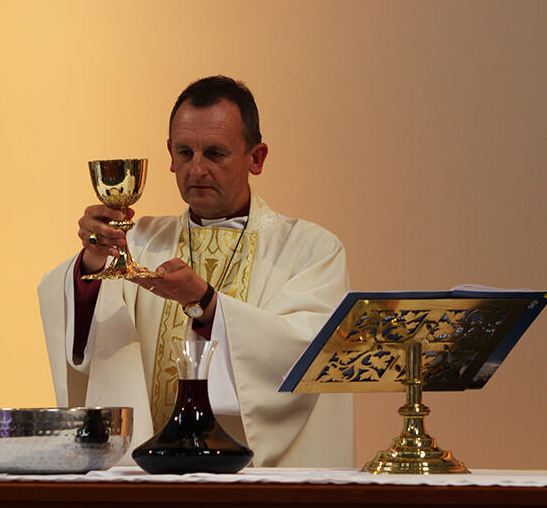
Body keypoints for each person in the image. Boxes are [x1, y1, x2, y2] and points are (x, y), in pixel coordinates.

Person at [38, 76, 354, 467]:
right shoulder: (139, 243)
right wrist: (93, 262)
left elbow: (308, 355)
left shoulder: (310, 250)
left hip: (258, 484)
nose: (197, 169)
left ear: (256, 158)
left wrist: (205, 304)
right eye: (185, 152)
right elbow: (79, 324)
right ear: (169, 155)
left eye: (216, 154)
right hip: (149, 478)